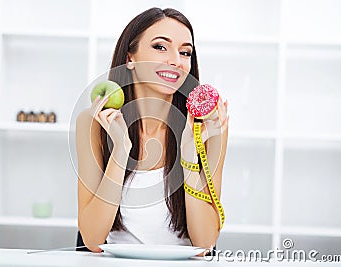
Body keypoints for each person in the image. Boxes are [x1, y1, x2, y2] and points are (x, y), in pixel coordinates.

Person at [76, 7, 229, 253]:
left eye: (185, 52)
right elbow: (92, 240)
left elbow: (205, 244)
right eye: (160, 47)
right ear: (130, 59)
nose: (176, 61)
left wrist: (189, 156)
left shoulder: (207, 127)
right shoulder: (93, 123)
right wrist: (120, 151)